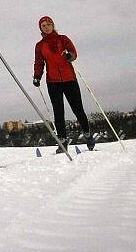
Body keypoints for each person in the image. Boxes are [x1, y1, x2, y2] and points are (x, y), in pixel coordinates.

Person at [32, 16, 94, 151]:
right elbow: (39, 63)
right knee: (58, 112)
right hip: (53, 82)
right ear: (40, 29)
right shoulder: (40, 46)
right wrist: (37, 76)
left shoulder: (63, 39)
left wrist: (69, 56)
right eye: (43, 26)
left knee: (78, 108)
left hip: (69, 79)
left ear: (53, 25)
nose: (47, 27)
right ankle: (62, 141)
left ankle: (88, 135)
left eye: (49, 24)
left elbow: (73, 53)